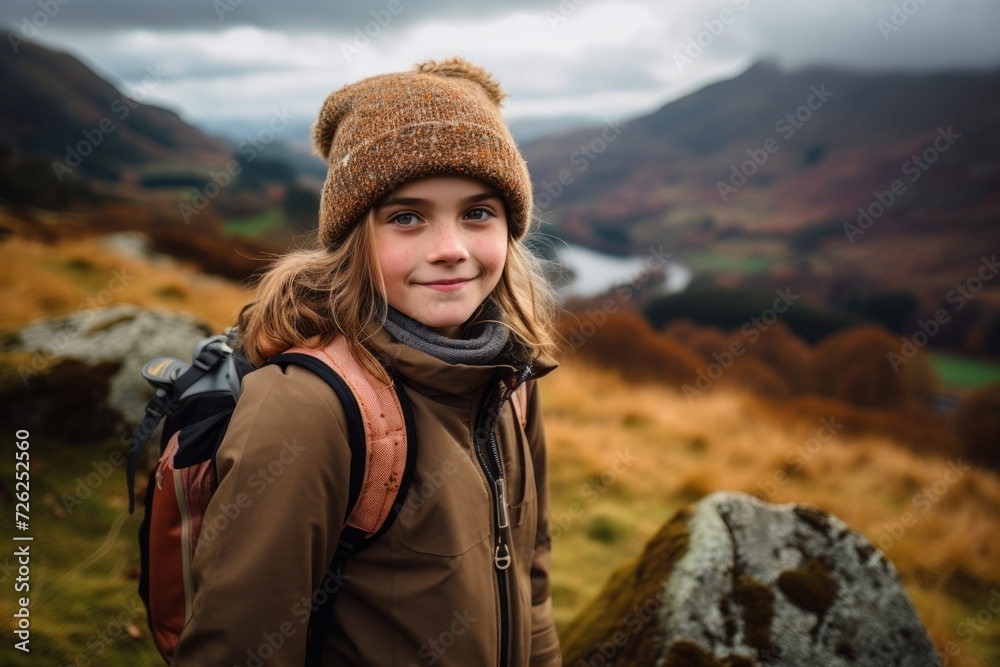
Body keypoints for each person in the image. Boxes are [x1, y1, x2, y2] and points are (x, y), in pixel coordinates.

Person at [171, 56, 563, 666]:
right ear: (354, 237)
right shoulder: (308, 407)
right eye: (406, 217)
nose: (451, 250)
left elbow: (531, 583)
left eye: (477, 213)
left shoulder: (509, 378)